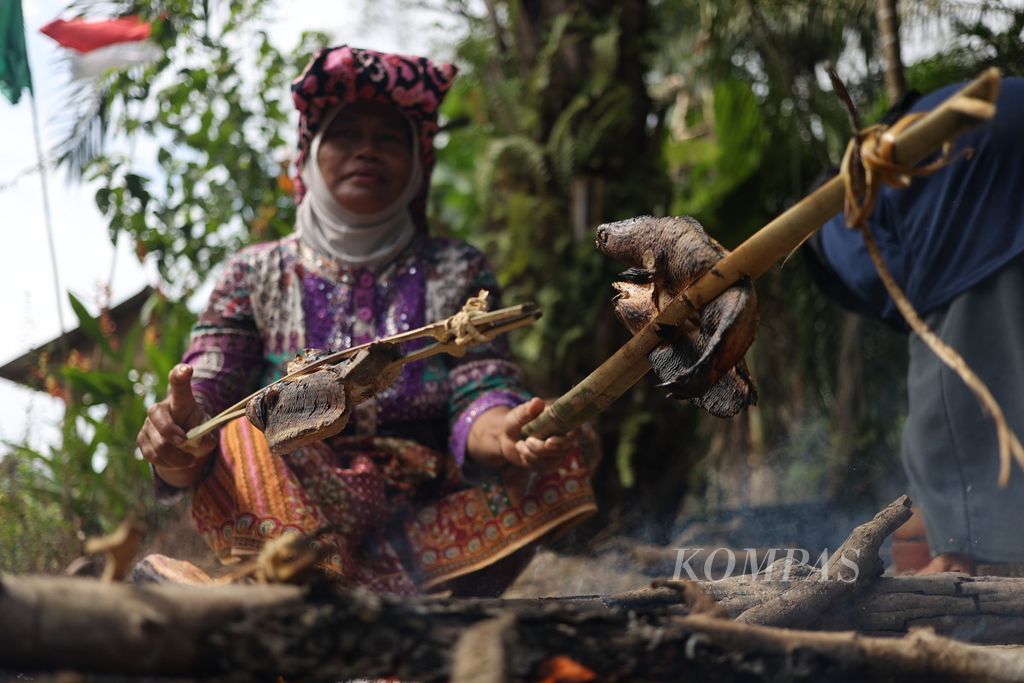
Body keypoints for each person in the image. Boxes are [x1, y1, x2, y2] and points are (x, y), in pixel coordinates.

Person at [135, 45, 597, 594]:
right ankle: (310, 590)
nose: (367, 152)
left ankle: (300, 606)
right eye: (345, 135)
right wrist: (177, 436)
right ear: (309, 153)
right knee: (241, 426)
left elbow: (483, 384)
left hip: (427, 530)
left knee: (566, 443)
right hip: (292, 514)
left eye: (389, 138)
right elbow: (209, 391)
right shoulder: (253, 273)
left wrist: (503, 431)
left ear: (417, 163)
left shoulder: (456, 268)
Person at [805, 77, 1024, 575]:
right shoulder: (924, 121)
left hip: (994, 183)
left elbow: (890, 286)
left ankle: (964, 564)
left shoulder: (837, 216)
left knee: (951, 398)